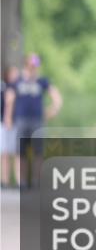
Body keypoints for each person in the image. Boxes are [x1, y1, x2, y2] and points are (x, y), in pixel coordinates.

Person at [8, 53, 62, 189]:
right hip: (21, 120)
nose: (33, 67)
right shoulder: (18, 81)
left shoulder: (42, 81)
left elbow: (55, 95)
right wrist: (8, 117)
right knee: (21, 152)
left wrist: (54, 109)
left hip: (37, 121)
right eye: (32, 64)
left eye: (35, 65)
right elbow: (10, 99)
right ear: (26, 64)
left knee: (39, 151)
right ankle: (22, 182)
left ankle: (37, 181)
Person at [1, 65, 21, 188]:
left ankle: (18, 181)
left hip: (17, 123)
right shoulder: (3, 87)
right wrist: (6, 118)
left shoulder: (20, 88)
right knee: (4, 152)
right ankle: (5, 180)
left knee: (17, 152)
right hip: (4, 124)